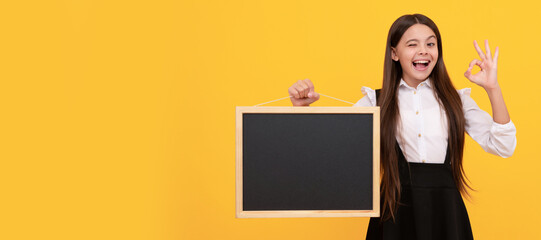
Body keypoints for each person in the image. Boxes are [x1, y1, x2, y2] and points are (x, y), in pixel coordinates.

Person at [287, 14, 516, 240]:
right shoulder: (374, 101)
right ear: (394, 53)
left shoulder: (457, 101)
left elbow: (503, 145)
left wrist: (492, 88)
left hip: (446, 214)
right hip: (394, 212)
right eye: (412, 44)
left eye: (430, 44)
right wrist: (301, 109)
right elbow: (328, 150)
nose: (424, 50)